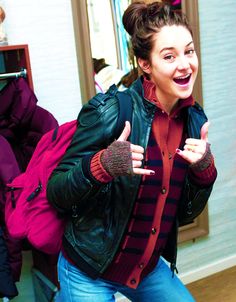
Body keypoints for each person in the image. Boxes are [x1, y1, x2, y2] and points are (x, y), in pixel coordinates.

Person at [47, 2, 217, 301]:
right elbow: (57, 192)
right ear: (145, 63)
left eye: (189, 51)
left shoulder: (194, 120)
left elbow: (188, 213)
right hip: (89, 269)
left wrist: (204, 172)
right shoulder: (111, 111)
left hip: (145, 268)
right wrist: (104, 164)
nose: (185, 64)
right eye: (169, 56)